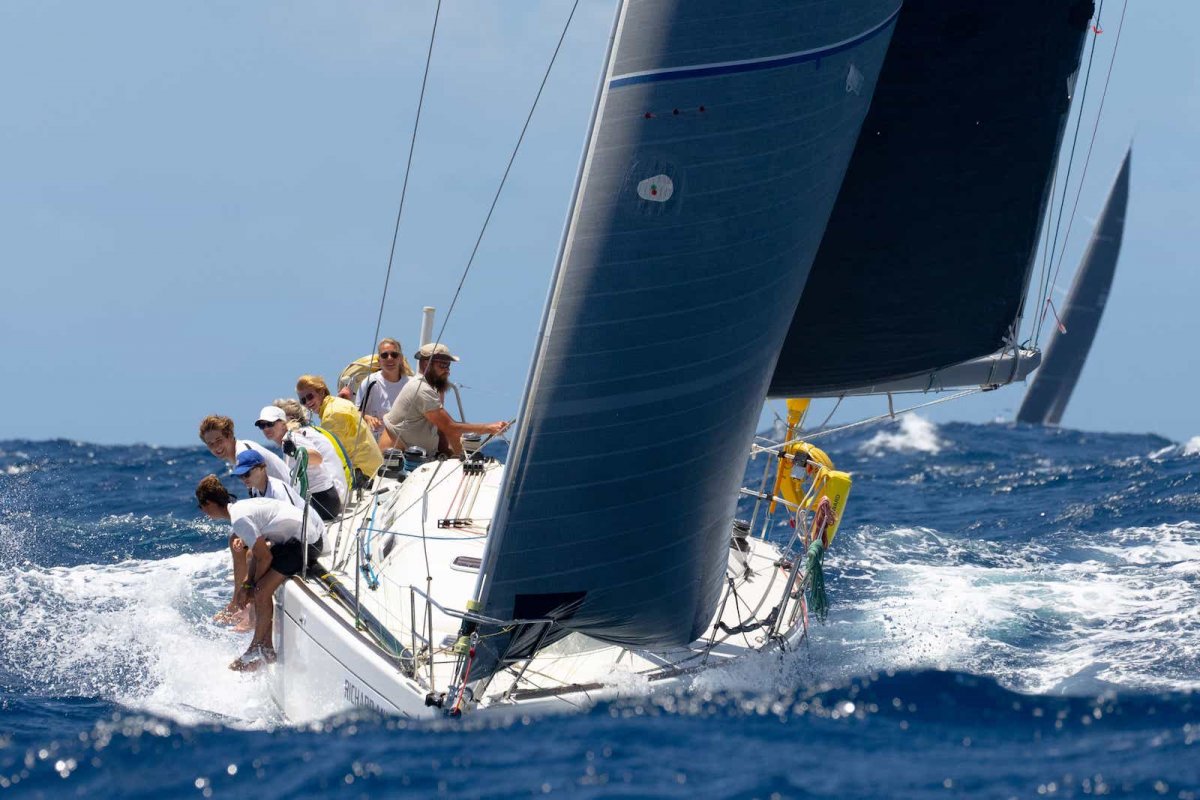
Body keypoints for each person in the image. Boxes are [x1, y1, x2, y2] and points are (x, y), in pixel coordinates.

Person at [195, 475, 325, 671]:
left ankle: (255, 648)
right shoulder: (239, 509)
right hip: (292, 542)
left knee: (261, 592)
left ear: (209, 504)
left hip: (306, 545)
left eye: (201, 506)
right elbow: (258, 553)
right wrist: (247, 583)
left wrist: (249, 587)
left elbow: (265, 557)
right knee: (257, 588)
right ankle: (267, 648)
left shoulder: (239, 519)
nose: (203, 511)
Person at [381, 343, 508, 457]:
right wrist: (488, 428)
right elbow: (449, 427)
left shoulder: (429, 389)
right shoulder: (420, 388)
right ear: (426, 364)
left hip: (413, 458)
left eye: (448, 365)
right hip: (394, 460)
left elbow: (441, 430)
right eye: (443, 365)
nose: (447, 371)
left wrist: (453, 455)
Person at [255, 404, 345, 521]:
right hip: (323, 500)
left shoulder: (292, 438)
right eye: (262, 425)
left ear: (283, 424)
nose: (266, 428)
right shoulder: (286, 441)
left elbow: (318, 457)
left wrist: (295, 451)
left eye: (270, 424)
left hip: (324, 501)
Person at [296, 374, 384, 485]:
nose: (307, 402)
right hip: (372, 472)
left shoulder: (332, 415)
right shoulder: (337, 404)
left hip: (365, 477)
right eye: (303, 401)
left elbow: (331, 455)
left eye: (310, 396)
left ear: (321, 392)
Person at [199, 415, 289, 483]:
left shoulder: (244, 453)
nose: (216, 447)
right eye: (210, 444)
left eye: (219, 440)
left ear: (230, 435)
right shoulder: (240, 451)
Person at [356, 338, 414, 441]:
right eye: (384, 355)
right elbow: (356, 412)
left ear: (400, 358)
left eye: (394, 355)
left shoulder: (411, 384)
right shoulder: (371, 382)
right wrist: (368, 418)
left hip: (404, 442)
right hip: (376, 442)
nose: (389, 358)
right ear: (379, 360)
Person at [232, 449, 304, 510]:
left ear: (261, 468)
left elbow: (291, 517)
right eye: (240, 476)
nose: (244, 479)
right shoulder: (254, 491)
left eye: (246, 474)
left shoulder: (277, 490)